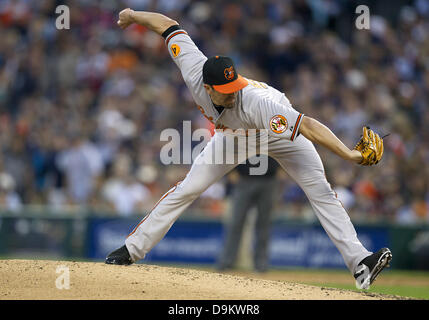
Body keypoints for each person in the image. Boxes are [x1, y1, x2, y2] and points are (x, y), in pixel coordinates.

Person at [106, 8, 392, 290]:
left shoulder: (254, 101)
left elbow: (306, 125)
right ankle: (132, 250)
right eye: (225, 88)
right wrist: (133, 15)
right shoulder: (194, 69)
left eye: (234, 83)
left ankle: (360, 263)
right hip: (233, 137)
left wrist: (349, 154)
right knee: (188, 188)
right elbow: (167, 25)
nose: (232, 91)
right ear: (208, 88)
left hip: (275, 132)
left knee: (321, 190)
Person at [217, 155, 279, 273]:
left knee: (263, 224)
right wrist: (230, 170)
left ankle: (261, 265)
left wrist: (280, 168)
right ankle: (226, 262)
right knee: (236, 222)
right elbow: (231, 144)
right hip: (244, 178)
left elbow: (284, 146)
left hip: (268, 179)